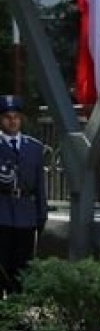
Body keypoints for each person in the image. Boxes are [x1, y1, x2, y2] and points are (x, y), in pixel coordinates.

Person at [0, 95, 48, 296]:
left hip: (25, 215)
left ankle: (18, 311)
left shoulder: (34, 147)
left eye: (16, 116)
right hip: (1, 213)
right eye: (7, 117)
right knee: (2, 265)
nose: (12, 121)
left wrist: (41, 214)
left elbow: (39, 185)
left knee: (23, 267)